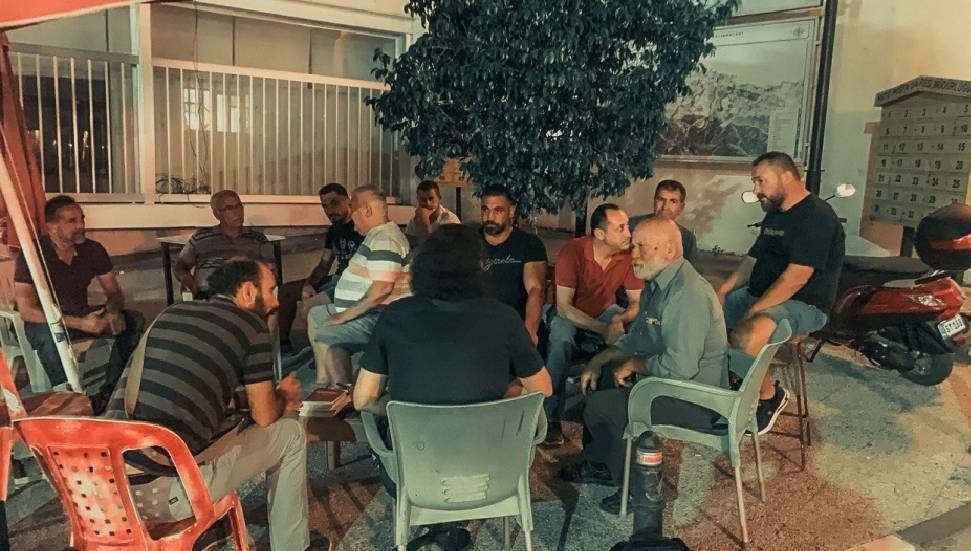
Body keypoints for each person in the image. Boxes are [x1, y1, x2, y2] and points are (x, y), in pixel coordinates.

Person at [103, 259, 326, 550]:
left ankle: (213, 527)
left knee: (222, 432)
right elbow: (265, 415)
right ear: (248, 291)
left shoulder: (171, 313)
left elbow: (187, 393)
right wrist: (284, 395)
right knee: (291, 434)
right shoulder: (252, 327)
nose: (276, 302)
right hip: (165, 496)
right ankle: (293, 547)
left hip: (103, 489)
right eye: (271, 290)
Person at [353, 224, 552, 550]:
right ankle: (450, 530)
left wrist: (395, 408)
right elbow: (543, 389)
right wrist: (508, 394)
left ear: (422, 268)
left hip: (416, 476)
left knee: (380, 429)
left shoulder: (396, 315)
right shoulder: (504, 317)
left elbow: (362, 398)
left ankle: (442, 527)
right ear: (479, 269)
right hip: (496, 474)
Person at [565, 218, 729, 513]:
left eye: (642, 247)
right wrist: (599, 360)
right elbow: (638, 338)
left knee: (603, 407)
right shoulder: (658, 285)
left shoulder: (686, 294)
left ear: (669, 250)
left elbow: (680, 367)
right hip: (675, 385)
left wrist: (633, 364)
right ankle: (600, 464)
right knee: (603, 376)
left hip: (698, 399)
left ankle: (636, 490)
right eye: (633, 246)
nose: (633, 254)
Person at [716, 151, 845, 434]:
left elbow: (796, 279)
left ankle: (769, 396)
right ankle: (725, 385)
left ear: (786, 177)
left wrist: (753, 310)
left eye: (760, 180)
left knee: (747, 334)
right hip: (762, 297)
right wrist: (722, 292)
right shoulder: (775, 214)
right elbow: (753, 259)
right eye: (754, 182)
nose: (755, 190)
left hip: (803, 304)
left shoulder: (816, 216)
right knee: (704, 318)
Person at [14, 195, 145, 411]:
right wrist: (80, 323)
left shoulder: (92, 249)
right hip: (43, 320)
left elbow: (114, 292)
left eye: (81, 219)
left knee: (133, 319)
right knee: (49, 336)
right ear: (52, 227)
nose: (81, 226)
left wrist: (112, 312)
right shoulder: (33, 253)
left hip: (80, 313)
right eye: (72, 221)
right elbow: (27, 311)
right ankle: (68, 398)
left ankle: (109, 392)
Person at [544, 203, 643, 446]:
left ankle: (612, 412)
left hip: (603, 311)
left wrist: (620, 320)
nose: (628, 233)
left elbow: (637, 302)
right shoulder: (574, 251)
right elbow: (564, 307)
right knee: (560, 340)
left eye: (627, 227)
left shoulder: (626, 254)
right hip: (567, 312)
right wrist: (604, 329)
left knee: (632, 337)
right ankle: (550, 417)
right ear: (600, 234)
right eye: (621, 228)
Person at [308, 185, 410, 387]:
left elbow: (381, 291)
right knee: (316, 315)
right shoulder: (376, 235)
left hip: (380, 316)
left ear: (367, 211)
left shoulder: (385, 240)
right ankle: (326, 382)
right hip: (370, 312)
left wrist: (344, 316)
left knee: (328, 334)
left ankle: (340, 390)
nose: (351, 216)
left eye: (353, 209)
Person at [276, 182, 364, 349]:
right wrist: (309, 285)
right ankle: (283, 345)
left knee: (312, 307)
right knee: (286, 291)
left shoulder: (361, 225)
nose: (330, 210)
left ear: (348, 200)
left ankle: (325, 348)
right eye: (325, 206)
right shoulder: (334, 230)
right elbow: (324, 263)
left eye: (334, 203)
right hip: (336, 279)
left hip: (353, 284)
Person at [174, 190, 275, 299]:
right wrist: (185, 276)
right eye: (229, 208)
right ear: (217, 213)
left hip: (245, 298)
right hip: (207, 297)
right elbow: (181, 264)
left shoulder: (258, 239)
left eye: (238, 206)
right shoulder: (201, 238)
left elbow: (271, 271)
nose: (237, 212)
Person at [480, 185, 548, 345]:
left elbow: (536, 289)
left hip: (515, 325)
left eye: (498, 210)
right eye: (485, 209)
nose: (490, 217)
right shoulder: (469, 241)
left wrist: (529, 332)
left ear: (511, 211)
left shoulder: (529, 244)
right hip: (478, 325)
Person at [629, 179, 697, 263]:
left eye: (673, 201)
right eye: (661, 199)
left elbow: (688, 270)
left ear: (681, 207)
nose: (665, 207)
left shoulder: (687, 239)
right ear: (654, 201)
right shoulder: (631, 226)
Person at [404, 179, 460, 246]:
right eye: (423, 199)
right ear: (418, 200)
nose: (428, 203)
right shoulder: (414, 221)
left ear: (439, 198)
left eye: (431, 198)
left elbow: (431, 248)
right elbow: (409, 246)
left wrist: (424, 221)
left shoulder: (449, 220)